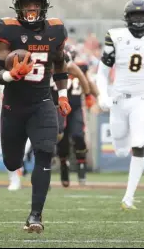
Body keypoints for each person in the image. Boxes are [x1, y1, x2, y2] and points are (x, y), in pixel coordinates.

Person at [0, 0, 71, 233]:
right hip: (14, 104)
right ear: (18, 7)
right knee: (12, 162)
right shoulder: (8, 30)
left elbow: (59, 63)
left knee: (45, 152)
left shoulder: (56, 31)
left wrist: (63, 94)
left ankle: (35, 216)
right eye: (26, 5)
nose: (31, 9)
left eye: (35, 4)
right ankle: (18, 172)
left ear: (44, 6)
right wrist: (9, 75)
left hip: (42, 101)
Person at [96, 0, 144, 210]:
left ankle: (128, 198)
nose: (138, 21)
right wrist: (102, 95)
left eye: (142, 17)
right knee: (120, 149)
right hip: (119, 99)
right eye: (134, 17)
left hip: (143, 99)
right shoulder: (116, 36)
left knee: (137, 145)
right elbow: (101, 72)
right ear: (127, 18)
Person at [51, 45, 97, 187]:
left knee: (78, 136)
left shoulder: (79, 67)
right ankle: (64, 165)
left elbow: (87, 82)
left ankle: (81, 167)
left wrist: (91, 97)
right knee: (61, 140)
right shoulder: (51, 67)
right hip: (58, 108)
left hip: (76, 107)